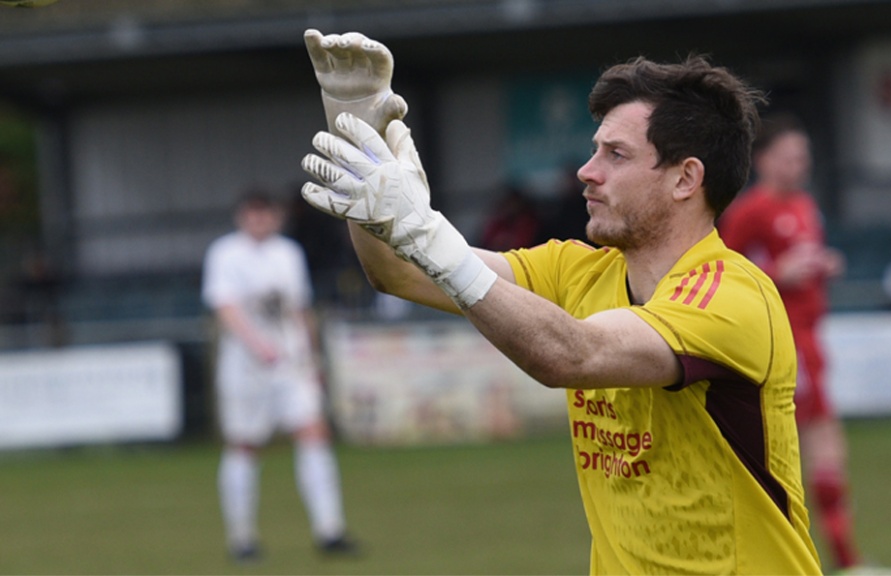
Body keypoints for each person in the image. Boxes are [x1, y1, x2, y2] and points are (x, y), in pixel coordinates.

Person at [300, 30, 820, 574]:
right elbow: (401, 272)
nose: (586, 170)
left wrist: (428, 232)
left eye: (615, 154)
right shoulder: (577, 269)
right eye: (595, 150)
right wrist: (356, 121)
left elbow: (574, 355)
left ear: (686, 178)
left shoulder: (732, 295)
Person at [717, 114, 875, 573]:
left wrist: (823, 264)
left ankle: (843, 559)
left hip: (810, 336)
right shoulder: (750, 211)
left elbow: (798, 261)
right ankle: (840, 562)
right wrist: (778, 275)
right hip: (781, 340)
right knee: (812, 444)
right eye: (789, 156)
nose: (798, 164)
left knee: (824, 441)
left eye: (803, 156)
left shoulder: (804, 205)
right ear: (764, 160)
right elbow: (721, 271)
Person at [201, 188, 357, 563]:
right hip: (246, 367)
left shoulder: (288, 253)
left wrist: (311, 357)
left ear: (276, 217)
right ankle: (242, 538)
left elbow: (300, 308)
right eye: (252, 214)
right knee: (244, 444)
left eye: (265, 214)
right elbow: (225, 306)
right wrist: (257, 345)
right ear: (242, 218)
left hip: (290, 362)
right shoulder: (225, 253)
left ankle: (330, 529)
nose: (259, 221)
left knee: (312, 433)